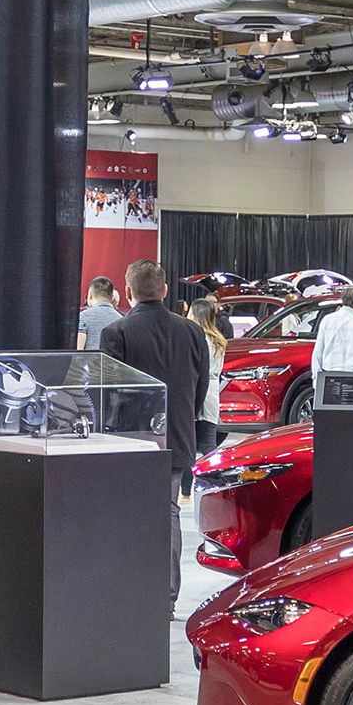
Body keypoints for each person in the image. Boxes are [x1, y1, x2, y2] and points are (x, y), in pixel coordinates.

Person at [99, 259, 210, 611]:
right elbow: (201, 387)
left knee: (124, 515)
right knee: (169, 513)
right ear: (164, 290)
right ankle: (166, 597)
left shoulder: (116, 333)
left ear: (127, 291)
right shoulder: (193, 332)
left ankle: (128, 590)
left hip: (129, 441)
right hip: (176, 438)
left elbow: (106, 392)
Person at [182, 299, 226, 499]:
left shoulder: (195, 338)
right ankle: (213, 485)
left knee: (188, 443)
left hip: (194, 389)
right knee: (208, 442)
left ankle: (185, 492)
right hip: (212, 392)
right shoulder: (218, 340)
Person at [310, 286, 353, 387]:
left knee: (331, 403)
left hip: (330, 376)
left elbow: (318, 351)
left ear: (342, 300)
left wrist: (316, 378)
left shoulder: (327, 320)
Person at [77, 277, 122, 350]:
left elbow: (78, 350)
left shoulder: (82, 317)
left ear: (90, 295)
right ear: (112, 298)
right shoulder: (121, 319)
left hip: (89, 361)